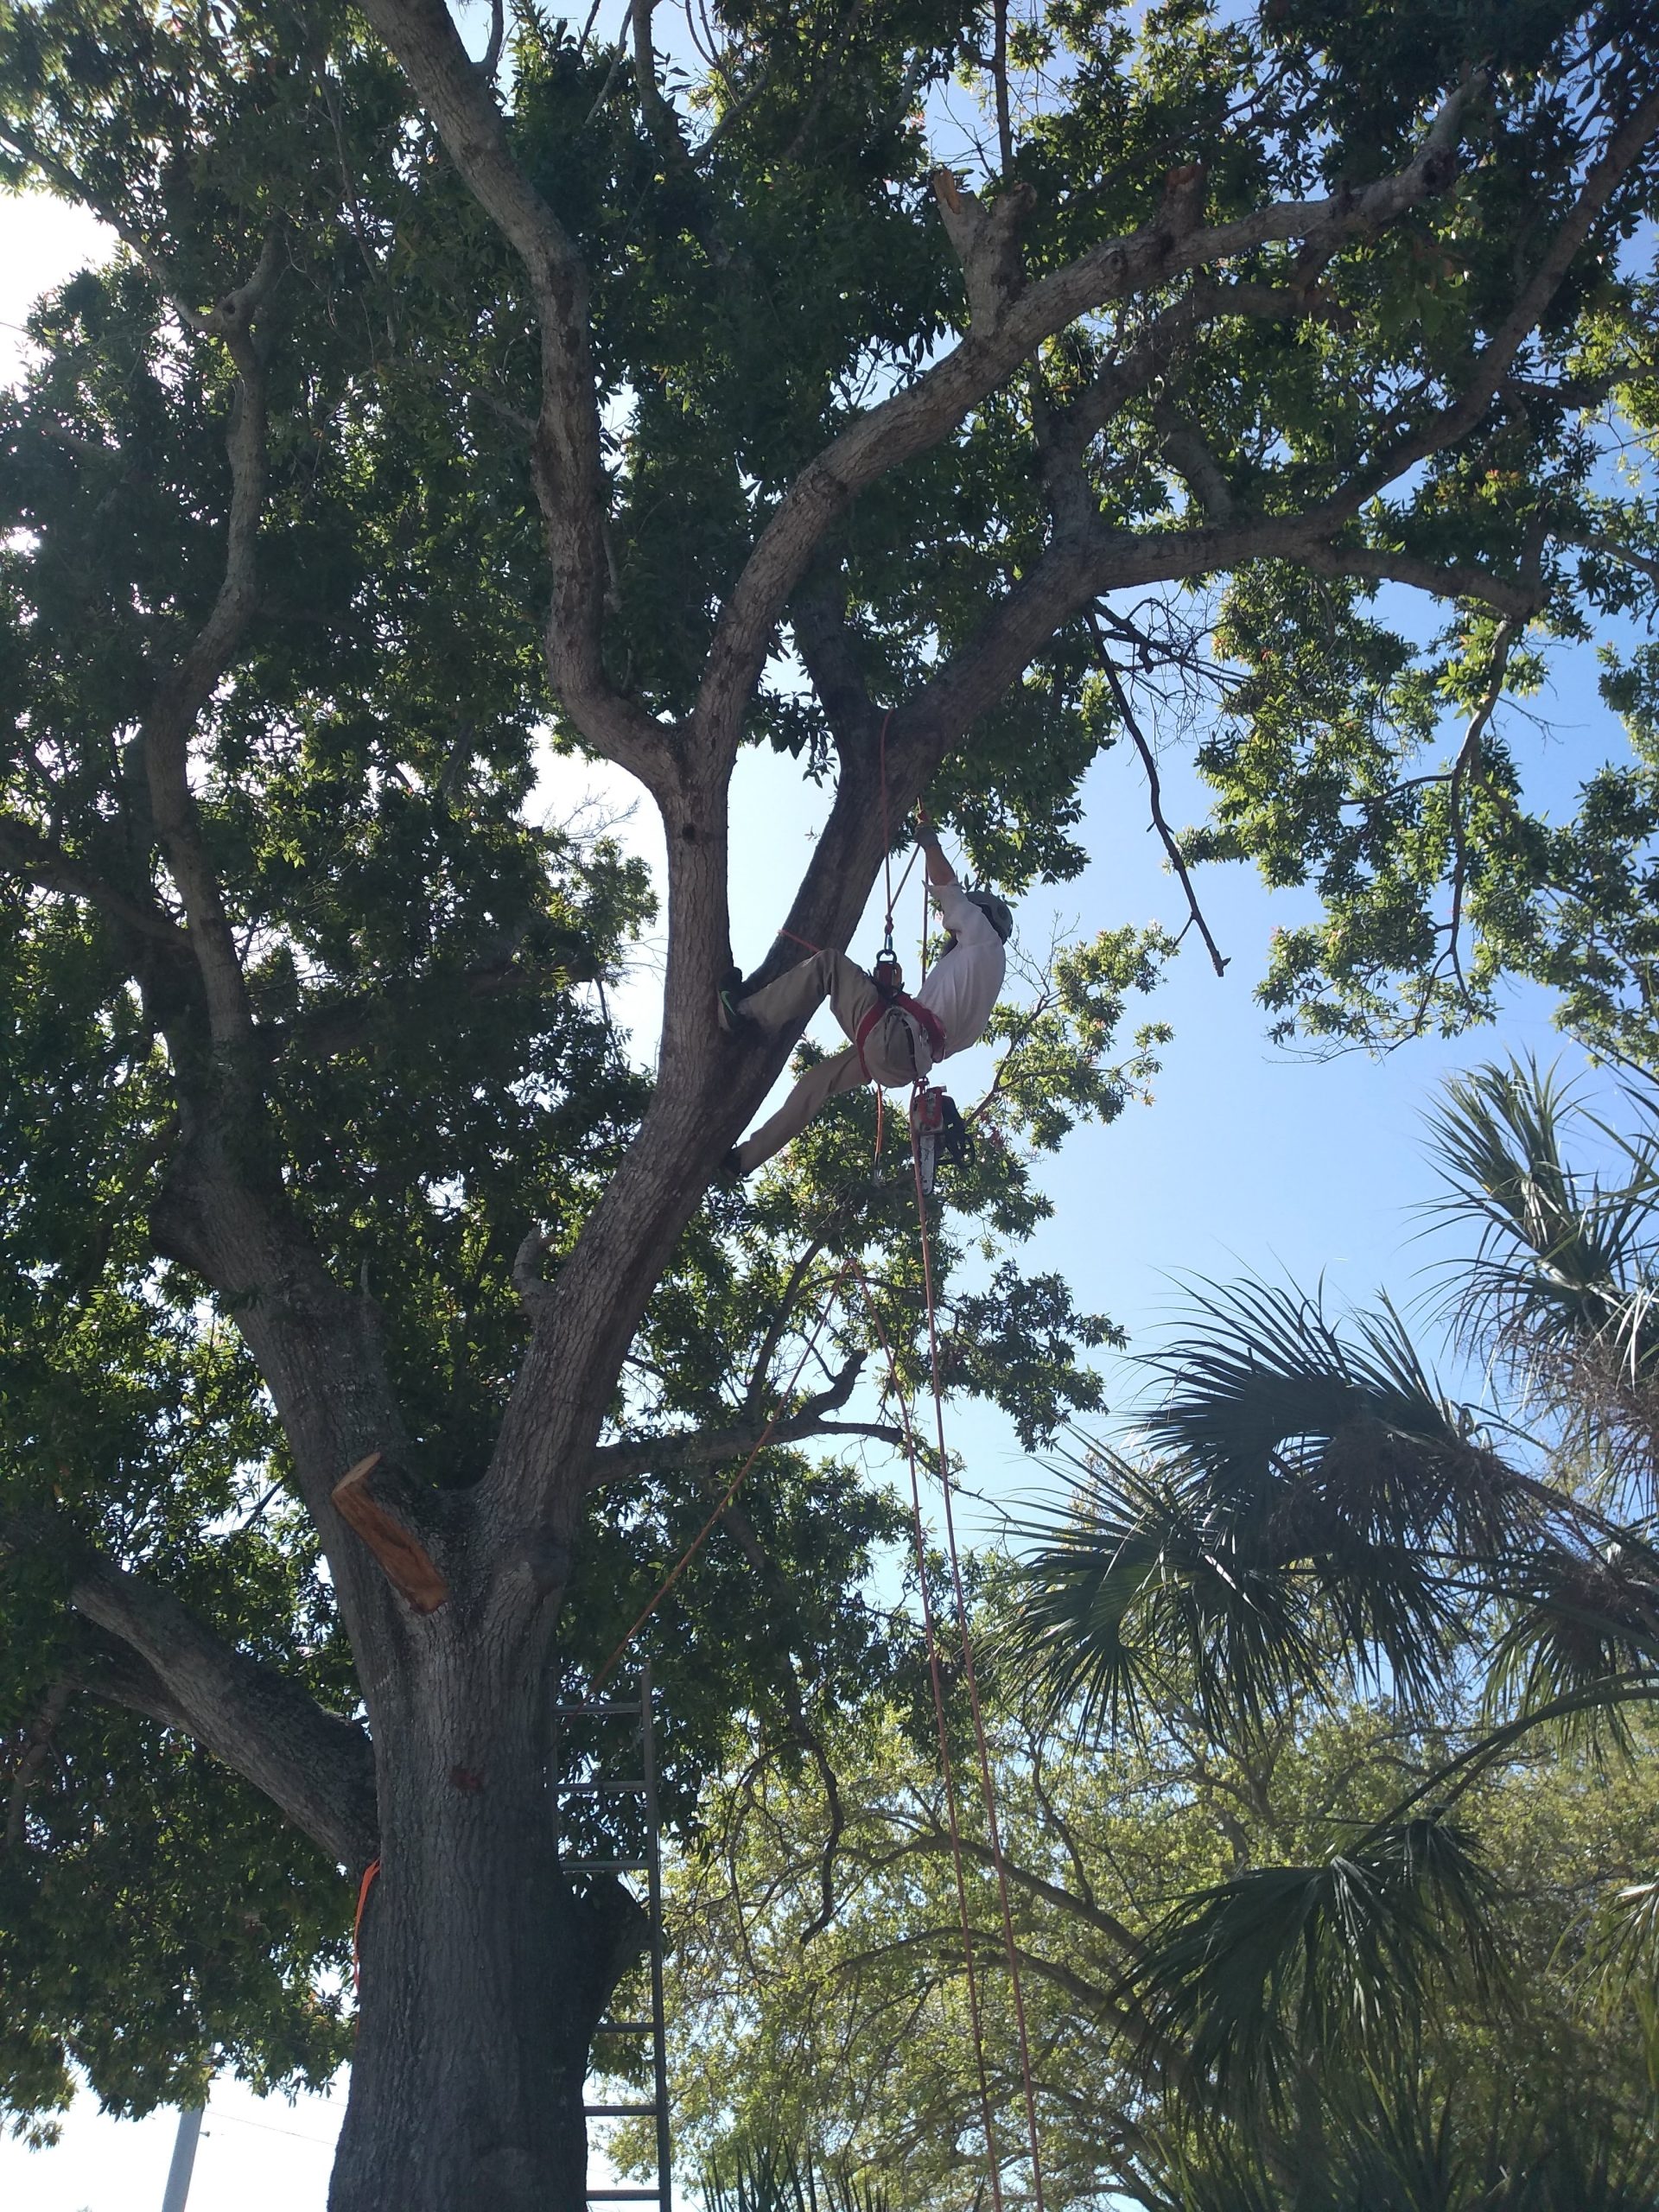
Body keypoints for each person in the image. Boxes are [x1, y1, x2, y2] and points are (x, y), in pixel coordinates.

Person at [721, 810, 1013, 1174]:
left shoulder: (984, 940)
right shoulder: (979, 998)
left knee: (829, 965)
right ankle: (744, 1160)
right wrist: (889, 997)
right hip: (899, 1064)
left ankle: (743, 1014)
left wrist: (929, 841)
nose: (951, 934)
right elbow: (931, 1028)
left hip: (893, 1040)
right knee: (818, 1082)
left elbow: (948, 888)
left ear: (984, 917)